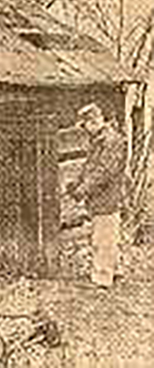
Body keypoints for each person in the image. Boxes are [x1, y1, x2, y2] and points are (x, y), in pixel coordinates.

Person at [66, 103, 127, 288]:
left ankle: (102, 279)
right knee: (107, 236)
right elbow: (89, 167)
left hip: (107, 198)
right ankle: (115, 272)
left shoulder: (111, 141)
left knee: (102, 239)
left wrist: (83, 189)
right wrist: (77, 183)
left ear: (94, 122)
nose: (85, 131)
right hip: (101, 197)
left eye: (85, 126)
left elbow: (104, 172)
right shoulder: (99, 140)